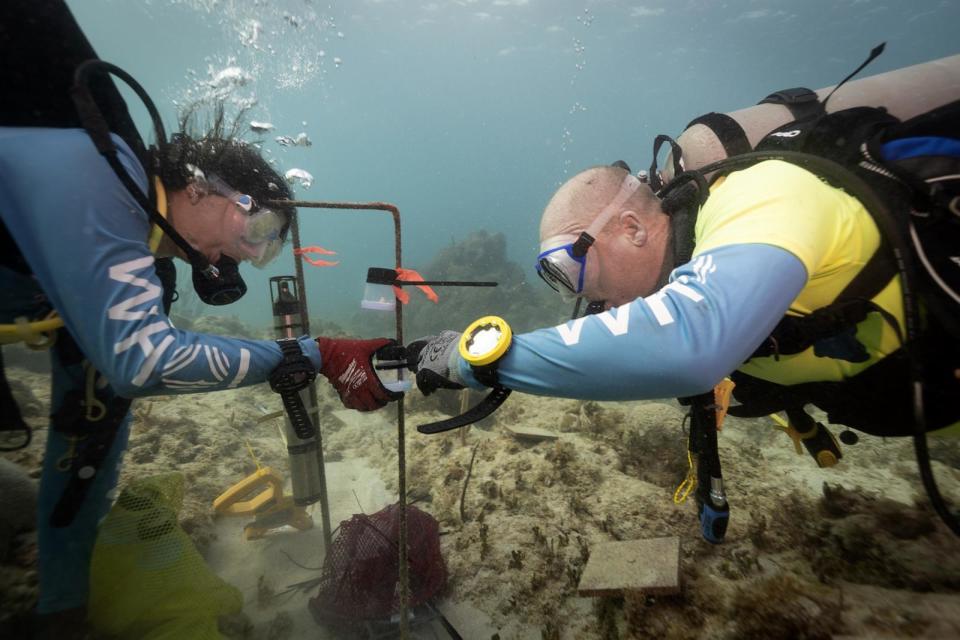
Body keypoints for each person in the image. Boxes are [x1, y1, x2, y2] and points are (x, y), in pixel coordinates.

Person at [0, 111, 398, 632]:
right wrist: (309, 353)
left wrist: (63, 611)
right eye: (256, 230)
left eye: (268, 247)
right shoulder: (101, 178)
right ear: (197, 186)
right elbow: (143, 362)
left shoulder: (140, 258)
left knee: (93, 426)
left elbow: (87, 445)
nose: (249, 253)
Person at [409, 160, 959, 437]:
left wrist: (475, 359)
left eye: (566, 266)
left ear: (633, 228)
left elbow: (690, 347)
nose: (572, 292)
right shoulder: (693, 275)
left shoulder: (761, 193)